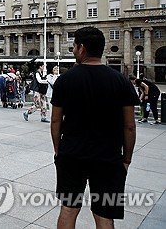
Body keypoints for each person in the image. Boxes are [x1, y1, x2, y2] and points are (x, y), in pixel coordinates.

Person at [50, 26, 139, 228]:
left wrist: (58, 150)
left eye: (74, 46)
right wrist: (127, 159)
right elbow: (130, 126)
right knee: (104, 213)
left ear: (81, 48)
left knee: (69, 208)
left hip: (72, 154)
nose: (73, 51)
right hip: (108, 157)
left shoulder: (65, 80)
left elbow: (56, 121)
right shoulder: (121, 81)